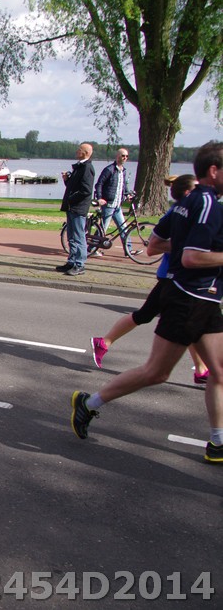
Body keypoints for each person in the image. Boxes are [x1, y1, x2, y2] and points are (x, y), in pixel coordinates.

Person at [70, 141, 223, 464]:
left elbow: (157, 244)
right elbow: (192, 258)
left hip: (206, 298)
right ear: (214, 171)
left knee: (219, 372)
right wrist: (194, 252)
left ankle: (218, 442)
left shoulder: (187, 202)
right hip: (188, 298)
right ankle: (89, 403)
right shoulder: (206, 203)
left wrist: (186, 247)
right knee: (156, 372)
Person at [89, 175, 208, 383]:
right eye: (197, 189)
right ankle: (196, 370)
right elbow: (153, 247)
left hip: (180, 278)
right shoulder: (176, 213)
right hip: (171, 277)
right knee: (171, 320)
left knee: (173, 321)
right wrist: (187, 246)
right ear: (188, 193)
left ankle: (200, 370)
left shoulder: (193, 212)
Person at [57, 143, 95, 276]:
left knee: (79, 236)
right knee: (71, 236)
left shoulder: (87, 168)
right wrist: (67, 180)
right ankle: (71, 261)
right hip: (72, 207)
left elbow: (86, 190)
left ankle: (80, 264)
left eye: (79, 149)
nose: (77, 151)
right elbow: (73, 186)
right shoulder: (79, 167)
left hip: (78, 208)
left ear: (85, 153)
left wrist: (71, 198)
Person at [93, 148, 133, 255]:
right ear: (117, 156)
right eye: (123, 156)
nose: (125, 158)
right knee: (103, 229)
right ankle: (92, 249)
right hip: (109, 204)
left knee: (123, 228)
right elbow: (99, 184)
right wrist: (100, 198)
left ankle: (128, 251)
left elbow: (123, 186)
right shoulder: (109, 169)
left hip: (117, 206)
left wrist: (127, 194)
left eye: (126, 156)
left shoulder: (123, 171)